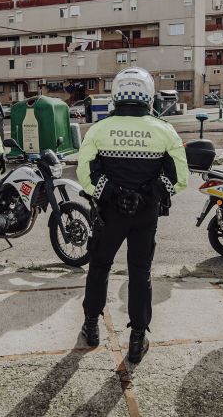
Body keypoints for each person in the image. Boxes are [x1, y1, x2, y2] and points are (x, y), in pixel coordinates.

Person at [77, 67, 188, 363]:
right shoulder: (164, 129)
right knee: (140, 272)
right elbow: (180, 178)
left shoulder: (99, 129)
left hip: (108, 214)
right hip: (145, 215)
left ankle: (91, 326)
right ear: (148, 95)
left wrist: (115, 194)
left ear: (116, 94)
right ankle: (137, 340)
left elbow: (85, 174)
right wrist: (146, 195)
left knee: (99, 266)